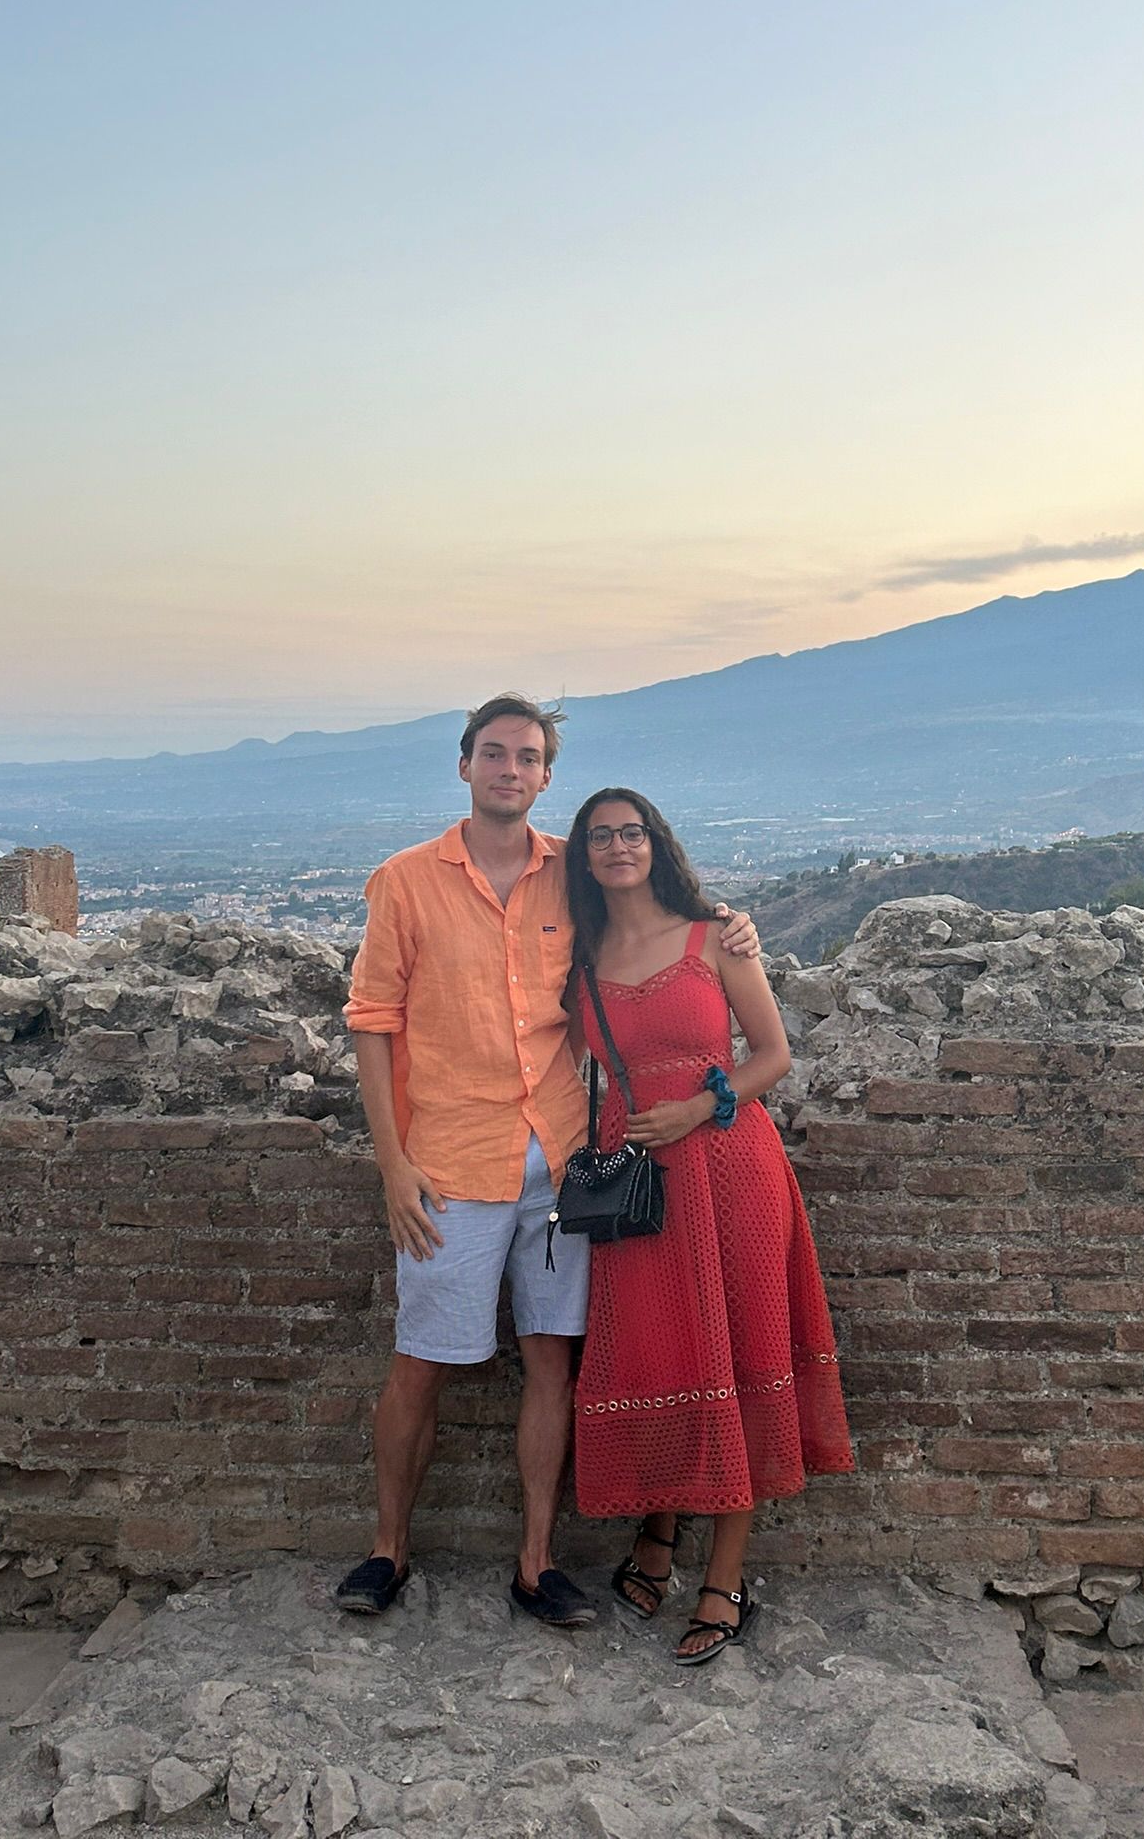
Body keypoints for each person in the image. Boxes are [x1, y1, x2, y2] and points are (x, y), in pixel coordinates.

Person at [336, 696, 761, 1626]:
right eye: (495, 754)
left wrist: (733, 924)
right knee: (420, 1362)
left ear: (545, 777)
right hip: (449, 1161)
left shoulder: (571, 875)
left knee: (551, 1365)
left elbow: (658, 908)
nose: (510, 770)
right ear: (464, 766)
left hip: (567, 1162)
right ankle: (386, 1550)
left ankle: (536, 1563)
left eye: (527, 757)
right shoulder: (404, 882)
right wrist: (392, 1166)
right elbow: (372, 1024)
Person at [563, 786, 854, 1665]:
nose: (619, 846)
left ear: (657, 843)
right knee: (662, 1349)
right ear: (582, 856)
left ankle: (724, 1577)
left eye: (633, 832)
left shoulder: (713, 936)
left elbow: (773, 1055)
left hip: (728, 1164)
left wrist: (697, 1107)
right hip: (638, 1183)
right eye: (601, 837)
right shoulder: (579, 954)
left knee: (738, 1351)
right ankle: (659, 1529)